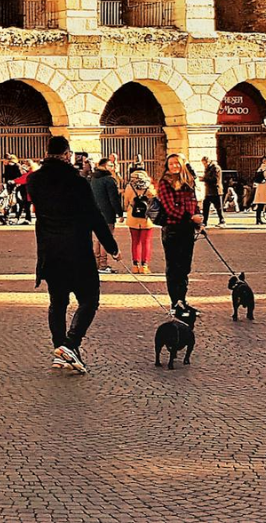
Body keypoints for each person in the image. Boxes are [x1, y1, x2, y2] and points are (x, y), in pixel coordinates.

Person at [27, 136, 119, 373]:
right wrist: (111, 246)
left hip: (50, 249)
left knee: (58, 302)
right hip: (77, 250)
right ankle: (70, 344)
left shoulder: (34, 180)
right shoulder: (77, 182)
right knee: (89, 299)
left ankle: (60, 350)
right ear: (67, 154)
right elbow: (93, 215)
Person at [153, 154, 203, 308]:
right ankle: (176, 301)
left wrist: (199, 220)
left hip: (187, 228)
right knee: (174, 266)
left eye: (177, 163)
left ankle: (182, 298)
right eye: (171, 164)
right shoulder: (165, 183)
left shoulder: (189, 182)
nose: (174, 166)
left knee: (185, 266)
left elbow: (194, 203)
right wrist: (191, 217)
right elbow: (170, 208)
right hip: (173, 228)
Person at [87, 158, 123, 271]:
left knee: (98, 238)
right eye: (110, 165)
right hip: (107, 213)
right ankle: (103, 264)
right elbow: (114, 199)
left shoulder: (92, 178)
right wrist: (120, 213)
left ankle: (97, 263)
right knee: (106, 237)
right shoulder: (109, 180)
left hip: (94, 212)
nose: (112, 167)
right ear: (104, 166)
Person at [123, 163, 155, 272]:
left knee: (135, 242)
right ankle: (144, 266)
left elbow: (125, 202)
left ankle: (135, 265)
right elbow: (154, 198)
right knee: (146, 242)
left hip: (133, 216)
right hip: (146, 217)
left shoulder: (129, 186)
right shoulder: (149, 185)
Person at [200, 157, 226, 227]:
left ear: (208, 162)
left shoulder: (215, 168)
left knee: (218, 207)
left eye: (204, 163)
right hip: (209, 191)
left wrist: (204, 179)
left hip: (216, 191)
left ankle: (222, 221)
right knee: (206, 206)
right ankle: (204, 222)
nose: (204, 165)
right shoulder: (208, 168)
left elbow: (215, 179)